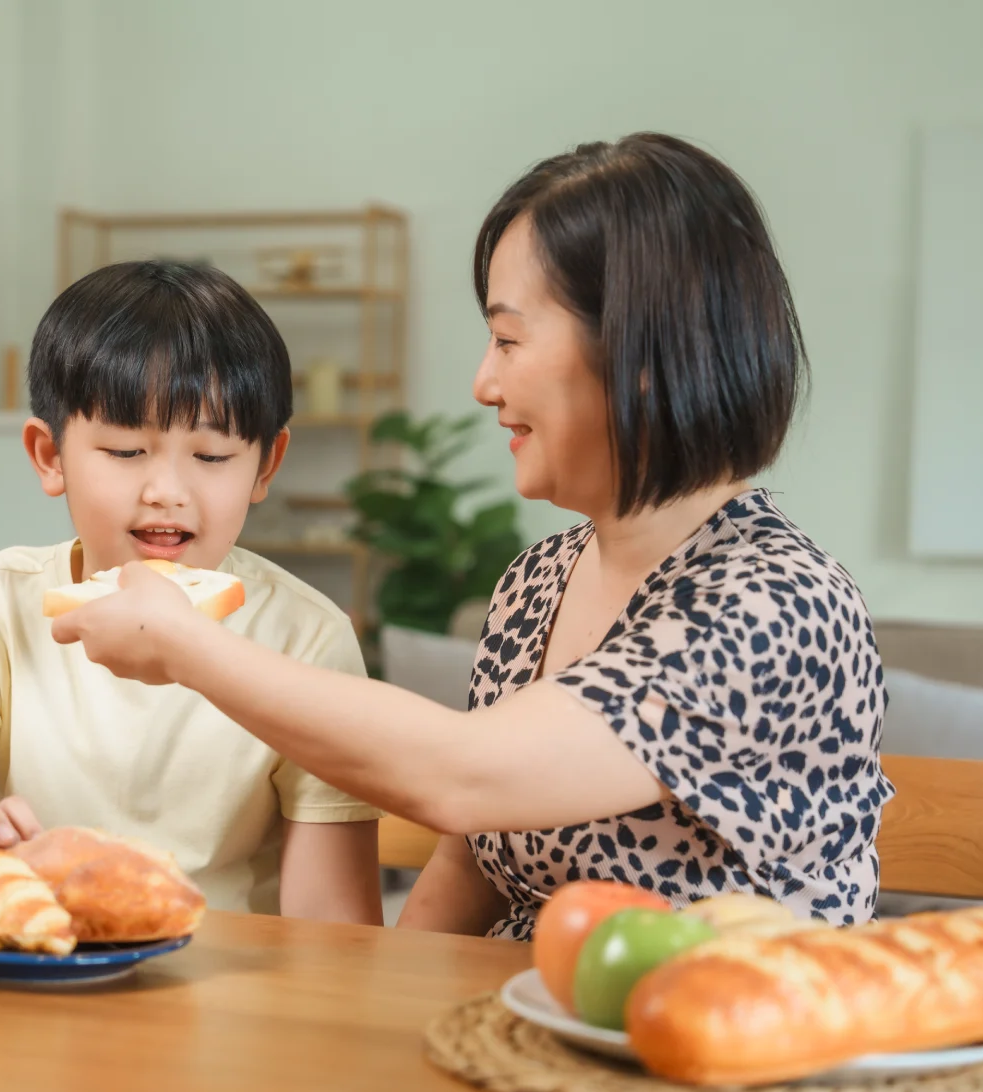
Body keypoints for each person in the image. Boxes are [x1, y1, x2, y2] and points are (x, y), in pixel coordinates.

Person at [51, 134, 892, 940]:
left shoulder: (779, 604)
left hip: (716, 1049)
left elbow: (462, 776)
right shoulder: (540, 578)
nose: (484, 382)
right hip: (511, 1030)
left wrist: (181, 642)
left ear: (641, 354)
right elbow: (478, 854)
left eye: (509, 338)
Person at [0, 260, 384, 923]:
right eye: (127, 451)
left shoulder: (309, 635)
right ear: (49, 456)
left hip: (227, 997)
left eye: (212, 457)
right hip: (43, 962)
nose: (167, 489)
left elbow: (333, 915)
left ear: (265, 464)